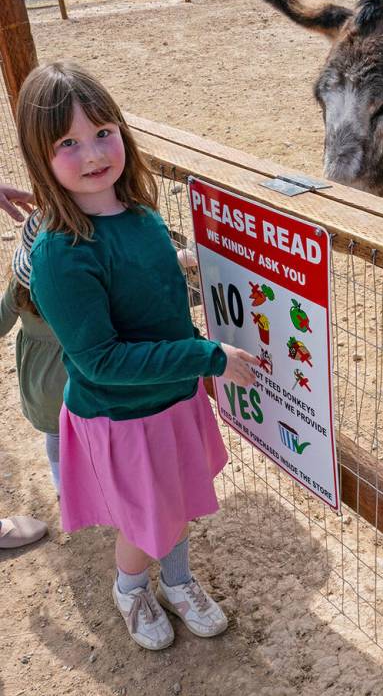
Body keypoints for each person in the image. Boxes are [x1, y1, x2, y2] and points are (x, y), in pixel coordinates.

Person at [17, 61, 260, 651]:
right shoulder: (60, 252)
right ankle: (131, 589)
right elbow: (100, 360)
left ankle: (176, 582)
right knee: (145, 519)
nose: (94, 153)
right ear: (41, 157)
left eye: (103, 132)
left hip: (172, 400)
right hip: (123, 415)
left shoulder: (144, 217)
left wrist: (177, 265)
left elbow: (142, 288)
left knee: (174, 502)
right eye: (68, 143)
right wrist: (207, 357)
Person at [0, 209, 67, 496]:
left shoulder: (19, 288)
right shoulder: (81, 289)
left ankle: (62, 484)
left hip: (41, 381)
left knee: (55, 434)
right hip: (82, 375)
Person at [0, 183, 49, 551]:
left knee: (57, 441)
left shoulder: (19, 289)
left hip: (39, 387)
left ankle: (68, 490)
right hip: (83, 387)